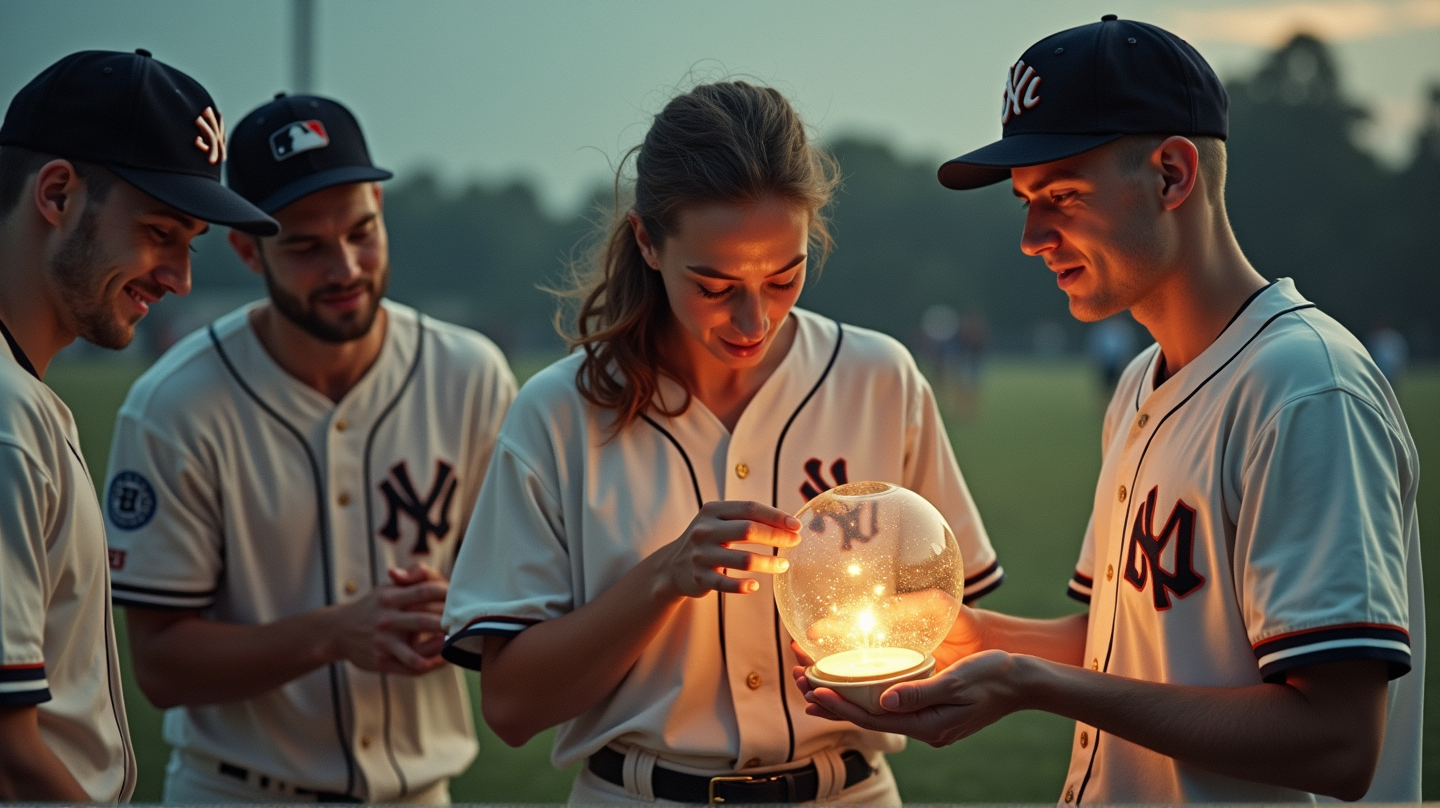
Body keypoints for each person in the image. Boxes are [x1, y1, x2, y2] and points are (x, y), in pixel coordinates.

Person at [798, 16, 1423, 805]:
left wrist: (1035, 684)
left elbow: (1334, 743)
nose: (1031, 236)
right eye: (1027, 201)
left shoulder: (1302, 388)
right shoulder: (1138, 384)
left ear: (1171, 174)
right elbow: (1125, 645)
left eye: (1059, 195)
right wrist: (970, 638)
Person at [441, 81, 1004, 806]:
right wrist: (664, 576)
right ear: (647, 240)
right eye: (713, 284)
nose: (752, 317)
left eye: (784, 275)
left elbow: (954, 626)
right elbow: (512, 708)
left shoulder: (878, 378)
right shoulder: (559, 411)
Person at [103, 94, 516, 803]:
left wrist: (466, 613)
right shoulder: (174, 403)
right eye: (305, 246)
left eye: (362, 232)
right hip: (238, 792)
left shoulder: (471, 375)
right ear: (246, 247)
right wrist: (334, 633)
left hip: (422, 791)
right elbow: (161, 665)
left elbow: (519, 589)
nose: (346, 267)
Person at [0, 50, 276, 801]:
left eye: (191, 245)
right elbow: (10, 754)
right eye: (160, 231)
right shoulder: (8, 419)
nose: (180, 278)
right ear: (56, 193)